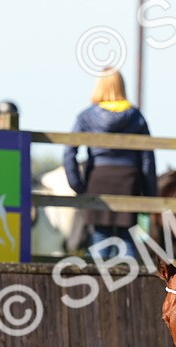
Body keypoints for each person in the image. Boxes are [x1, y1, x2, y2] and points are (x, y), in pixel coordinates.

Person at [62, 70, 157, 259]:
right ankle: (131, 287)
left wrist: (78, 185)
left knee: (100, 237)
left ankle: (100, 286)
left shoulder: (86, 116)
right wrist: (150, 192)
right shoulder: (136, 116)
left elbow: (68, 152)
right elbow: (147, 157)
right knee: (129, 241)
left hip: (99, 179)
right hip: (129, 181)